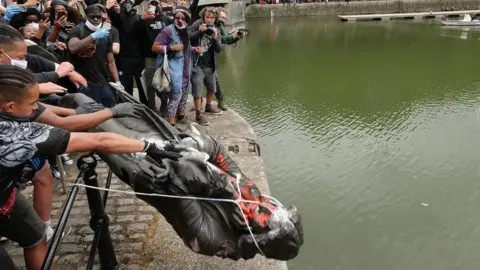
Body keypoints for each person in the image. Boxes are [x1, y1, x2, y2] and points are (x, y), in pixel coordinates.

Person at [0, 65, 181, 269]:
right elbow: (100, 140)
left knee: (35, 234)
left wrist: (79, 111)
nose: (37, 107)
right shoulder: (20, 137)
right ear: (10, 107)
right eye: (33, 102)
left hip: (6, 196)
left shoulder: (12, 108)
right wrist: (148, 146)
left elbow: (52, 115)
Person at [67, 4, 123, 108]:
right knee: (89, 113)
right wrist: (93, 36)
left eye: (99, 16)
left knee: (109, 109)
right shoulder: (78, 30)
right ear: (87, 16)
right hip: (84, 81)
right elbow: (72, 48)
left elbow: (111, 62)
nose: (96, 19)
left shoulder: (106, 34)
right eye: (93, 16)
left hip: (102, 81)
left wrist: (117, 81)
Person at [152, 6, 198, 126]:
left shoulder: (185, 30)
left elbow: (185, 47)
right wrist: (170, 47)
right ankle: (170, 122)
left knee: (184, 93)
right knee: (175, 95)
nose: (179, 20)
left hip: (186, 69)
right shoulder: (168, 31)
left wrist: (194, 49)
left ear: (186, 20)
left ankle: (181, 116)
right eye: (177, 18)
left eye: (182, 18)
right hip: (173, 70)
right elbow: (155, 47)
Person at [132, 0, 172, 110]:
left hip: (164, 57)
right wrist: (141, 19)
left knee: (165, 83)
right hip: (149, 57)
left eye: (156, 3)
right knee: (150, 85)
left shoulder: (166, 19)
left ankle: (164, 104)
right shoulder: (143, 20)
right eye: (152, 3)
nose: (154, 6)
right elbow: (132, 32)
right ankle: (152, 108)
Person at [107, 0, 148, 106]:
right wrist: (117, 11)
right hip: (124, 57)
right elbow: (127, 28)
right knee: (126, 88)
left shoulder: (137, 16)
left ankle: (146, 109)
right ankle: (126, 109)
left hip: (139, 57)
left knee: (143, 86)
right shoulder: (116, 14)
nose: (128, 2)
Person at [188, 6, 222, 125]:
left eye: (212, 18)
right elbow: (188, 39)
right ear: (203, 17)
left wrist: (215, 38)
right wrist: (200, 32)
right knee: (197, 90)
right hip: (197, 64)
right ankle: (198, 114)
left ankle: (208, 106)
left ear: (215, 18)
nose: (209, 20)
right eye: (207, 17)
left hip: (210, 65)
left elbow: (218, 49)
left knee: (212, 88)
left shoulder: (216, 28)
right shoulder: (197, 24)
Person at [211, 7, 246, 112]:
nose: (223, 20)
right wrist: (233, 36)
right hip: (198, 57)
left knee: (215, 81)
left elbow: (225, 39)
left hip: (211, 58)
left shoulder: (219, 25)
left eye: (225, 18)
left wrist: (236, 37)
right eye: (222, 17)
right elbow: (223, 39)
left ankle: (219, 102)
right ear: (216, 15)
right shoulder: (209, 25)